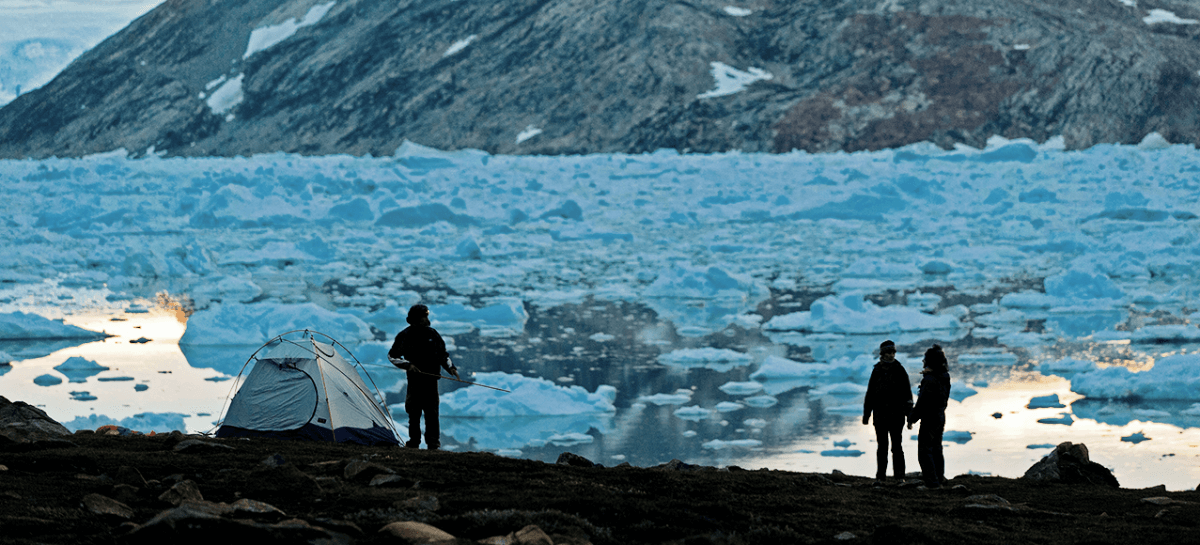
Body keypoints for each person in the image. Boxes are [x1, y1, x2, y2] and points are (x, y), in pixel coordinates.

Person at [388, 304, 459, 450]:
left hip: (431, 382)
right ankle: (414, 442)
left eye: (426, 316)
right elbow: (393, 356)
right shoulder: (405, 336)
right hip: (415, 382)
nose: (426, 319)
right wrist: (408, 365)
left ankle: (433, 443)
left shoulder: (433, 334)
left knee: (432, 414)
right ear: (415, 319)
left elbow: (442, 355)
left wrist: (450, 367)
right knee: (414, 414)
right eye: (423, 317)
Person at [862, 339, 913, 482]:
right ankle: (881, 477)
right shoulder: (876, 370)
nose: (891, 355)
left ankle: (899, 477)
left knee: (896, 447)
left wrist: (909, 416)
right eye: (889, 352)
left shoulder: (900, 370)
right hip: (880, 416)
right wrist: (866, 415)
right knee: (882, 447)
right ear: (883, 354)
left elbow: (907, 395)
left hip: (897, 416)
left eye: (893, 352)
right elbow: (870, 394)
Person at [908, 344, 952, 488]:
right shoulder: (944, 376)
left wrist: (911, 418)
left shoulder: (930, 379)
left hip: (929, 418)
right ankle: (939, 478)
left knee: (925, 450)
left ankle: (932, 482)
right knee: (936, 448)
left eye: (925, 359)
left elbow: (923, 403)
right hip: (940, 416)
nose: (923, 362)